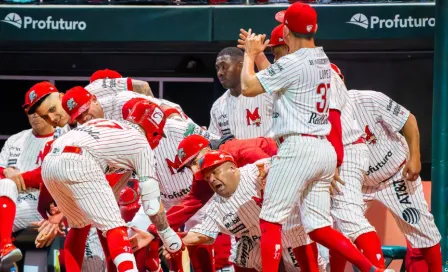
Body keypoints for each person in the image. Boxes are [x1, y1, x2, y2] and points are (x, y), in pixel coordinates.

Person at [240, 3, 387, 272]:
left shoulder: (293, 63)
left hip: (298, 148)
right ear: (315, 29)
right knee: (318, 227)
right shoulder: (322, 59)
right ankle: (372, 270)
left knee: (270, 221)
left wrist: (250, 56)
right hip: (323, 150)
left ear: (285, 31)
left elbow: (248, 87)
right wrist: (262, 56)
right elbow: (282, 76)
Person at [40, 101, 183, 272]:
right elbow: (152, 205)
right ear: (154, 129)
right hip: (80, 160)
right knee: (115, 226)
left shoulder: (111, 128)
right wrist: (166, 233)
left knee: (79, 225)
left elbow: (110, 190)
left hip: (50, 162)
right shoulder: (140, 143)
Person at [132, 150, 327, 272]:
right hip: (259, 241)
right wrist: (170, 239)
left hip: (294, 233)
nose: (212, 180)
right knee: (243, 254)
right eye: (207, 178)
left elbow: (296, 162)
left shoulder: (257, 171)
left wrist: (326, 167)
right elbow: (201, 234)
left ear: (233, 168)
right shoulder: (217, 206)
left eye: (215, 172)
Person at [344, 81, 442, 271]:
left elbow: (408, 119)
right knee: (338, 229)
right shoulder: (323, 115)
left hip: (395, 174)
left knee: (422, 228)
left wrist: (415, 157)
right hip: (358, 183)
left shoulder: (369, 99)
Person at [0, 113, 54, 264]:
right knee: (6, 184)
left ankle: (5, 251)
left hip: (40, 204)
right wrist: (5, 171)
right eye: (30, 110)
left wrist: (19, 178)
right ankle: (5, 247)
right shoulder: (16, 139)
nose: (34, 114)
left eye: (38, 109)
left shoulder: (60, 137)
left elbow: (50, 173)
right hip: (9, 199)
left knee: (7, 185)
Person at [209, 47, 273, 139]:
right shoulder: (217, 106)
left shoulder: (266, 94)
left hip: (267, 152)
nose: (220, 73)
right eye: (217, 68)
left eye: (224, 67)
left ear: (241, 67)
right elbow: (214, 141)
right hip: (232, 153)